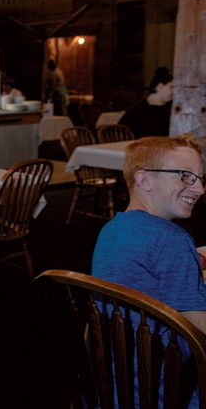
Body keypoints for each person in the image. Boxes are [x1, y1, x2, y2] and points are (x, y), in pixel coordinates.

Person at [92, 134, 206, 406]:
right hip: (163, 388)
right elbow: (202, 329)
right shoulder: (172, 240)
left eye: (201, 177)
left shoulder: (112, 229)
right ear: (144, 180)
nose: (200, 189)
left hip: (112, 383)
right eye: (185, 176)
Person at [118, 66, 173, 138]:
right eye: (171, 87)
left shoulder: (173, 109)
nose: (175, 91)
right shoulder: (137, 111)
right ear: (160, 86)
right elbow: (121, 130)